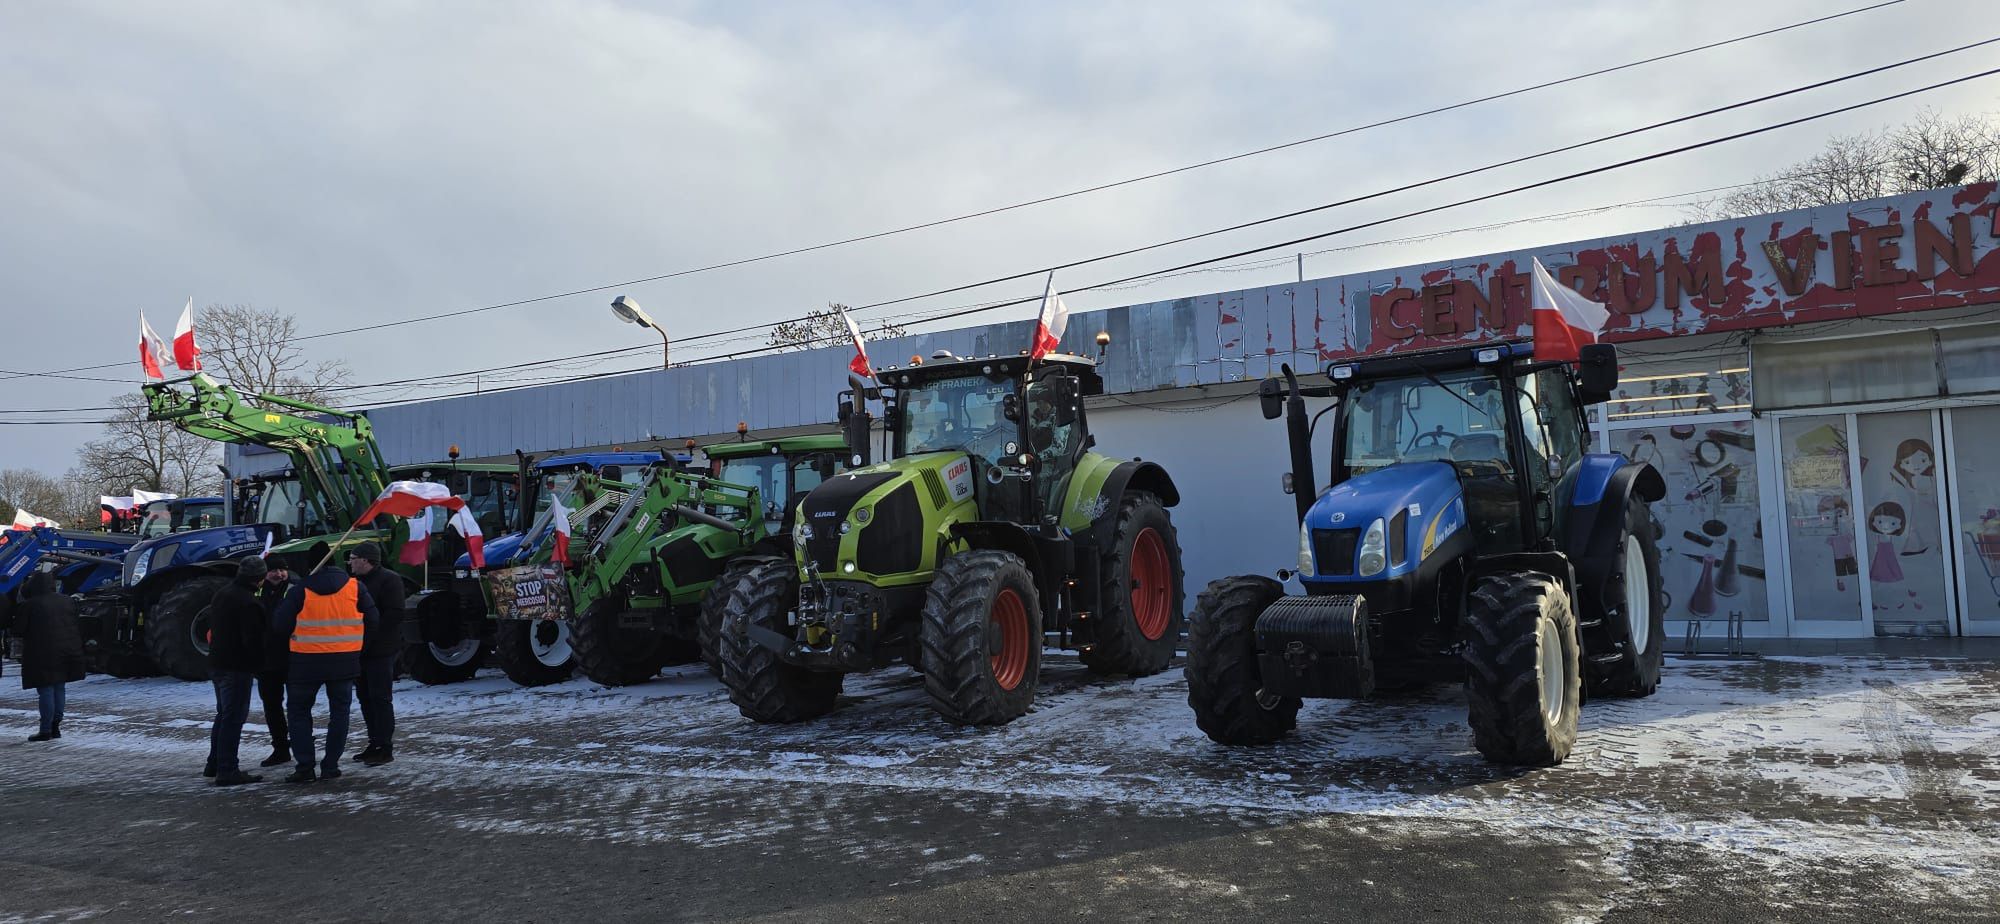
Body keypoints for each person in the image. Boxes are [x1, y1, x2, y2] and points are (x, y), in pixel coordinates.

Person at [271, 545, 378, 784]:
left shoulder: (300, 590)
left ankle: (305, 766)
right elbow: (373, 621)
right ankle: (331, 765)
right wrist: (357, 649)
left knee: (299, 713)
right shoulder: (355, 587)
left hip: (304, 663)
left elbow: (280, 626)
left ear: (310, 564)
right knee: (340, 713)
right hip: (344, 662)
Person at [202, 557, 268, 786]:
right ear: (260, 578)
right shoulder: (249, 603)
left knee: (224, 715)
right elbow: (253, 641)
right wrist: (261, 666)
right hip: (237, 667)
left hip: (217, 663)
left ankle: (215, 763)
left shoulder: (223, 593)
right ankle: (227, 769)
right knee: (233, 718)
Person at [347, 542, 404, 766]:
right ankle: (374, 742)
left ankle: (385, 747)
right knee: (364, 697)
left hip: (381, 649)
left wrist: (371, 632)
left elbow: (395, 613)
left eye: (353, 558)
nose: (350, 563)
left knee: (380, 698)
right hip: (359, 649)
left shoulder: (390, 580)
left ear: (365, 560)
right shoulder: (354, 581)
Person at [11, 573, 85, 742]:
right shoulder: (67, 600)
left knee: (45, 690)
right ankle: (55, 727)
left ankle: (45, 730)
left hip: (42, 653)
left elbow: (18, 630)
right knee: (59, 688)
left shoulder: (30, 604)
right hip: (67, 651)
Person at [253, 559, 297, 768]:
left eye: (282, 570)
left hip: (292, 658)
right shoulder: (256, 592)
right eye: (273, 570)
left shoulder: (295, 589)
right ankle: (280, 748)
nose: (279, 574)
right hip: (266, 661)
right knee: (272, 708)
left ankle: (302, 747)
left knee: (298, 707)